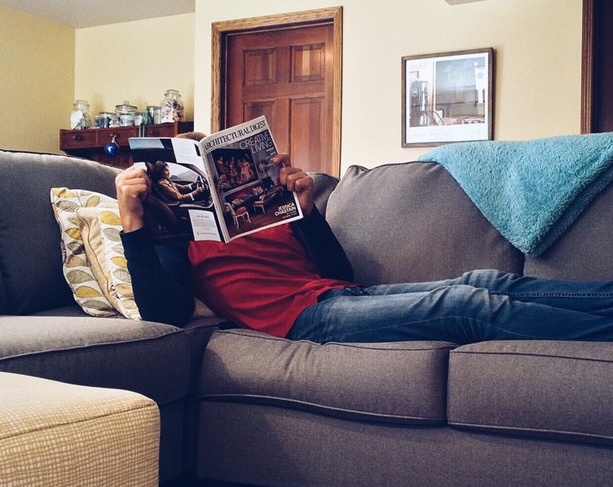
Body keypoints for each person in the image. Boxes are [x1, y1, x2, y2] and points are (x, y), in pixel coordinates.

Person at [116, 155, 613, 344]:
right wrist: (134, 223)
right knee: (466, 306)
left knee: (485, 281)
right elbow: (169, 313)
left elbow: (337, 269)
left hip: (336, 294)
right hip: (302, 321)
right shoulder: (182, 237)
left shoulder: (270, 213)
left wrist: (306, 209)